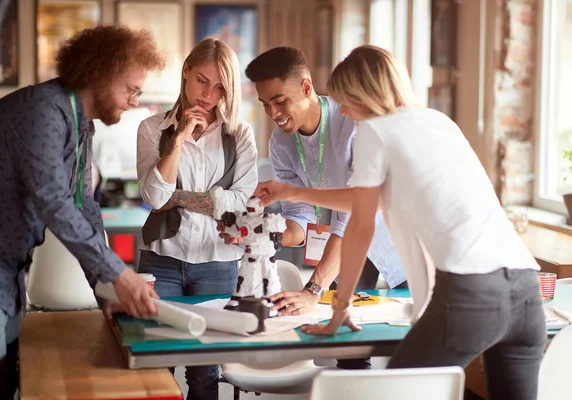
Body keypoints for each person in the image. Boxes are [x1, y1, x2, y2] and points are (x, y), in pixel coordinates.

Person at [254, 45, 546, 400]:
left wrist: (338, 308)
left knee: (397, 391)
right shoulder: (438, 121)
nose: (343, 110)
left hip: (473, 292)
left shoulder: (375, 132)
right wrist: (294, 193)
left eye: (347, 100)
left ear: (367, 94)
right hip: (526, 290)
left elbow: (360, 224)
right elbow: (366, 199)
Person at [0, 25, 165, 398]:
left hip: (10, 274)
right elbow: (53, 200)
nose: (135, 100)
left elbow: (83, 205)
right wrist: (120, 275)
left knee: (9, 378)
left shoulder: (80, 124)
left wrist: (108, 295)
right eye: (132, 88)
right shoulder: (42, 109)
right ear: (101, 73)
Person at [230, 46, 407, 370]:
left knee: (411, 340)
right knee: (349, 346)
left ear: (307, 88)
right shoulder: (281, 144)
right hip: (352, 245)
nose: (273, 113)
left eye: (280, 100)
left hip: (399, 242)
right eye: (265, 104)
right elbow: (299, 220)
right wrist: (264, 235)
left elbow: (356, 210)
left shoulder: (353, 120)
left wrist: (314, 287)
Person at [104, 38, 258, 400]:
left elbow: (238, 204)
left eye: (220, 87)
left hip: (218, 263)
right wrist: (180, 138)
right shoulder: (153, 129)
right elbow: (155, 198)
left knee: (206, 372)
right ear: (186, 70)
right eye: (203, 80)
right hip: (162, 260)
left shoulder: (239, 134)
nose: (209, 94)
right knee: (158, 365)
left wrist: (182, 199)